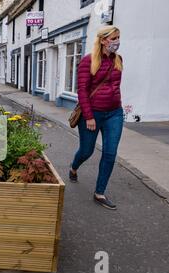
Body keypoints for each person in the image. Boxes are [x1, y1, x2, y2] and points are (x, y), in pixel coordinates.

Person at [70, 26, 124, 211]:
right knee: (86, 151)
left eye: (118, 38)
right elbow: (82, 91)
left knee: (110, 153)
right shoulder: (88, 61)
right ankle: (74, 167)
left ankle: (99, 192)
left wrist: (118, 103)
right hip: (92, 113)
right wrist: (89, 116)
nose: (117, 41)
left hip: (115, 114)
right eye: (113, 38)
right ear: (103, 40)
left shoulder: (118, 60)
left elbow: (115, 86)